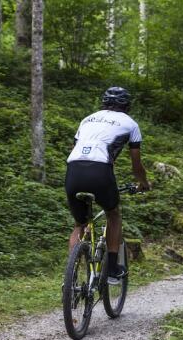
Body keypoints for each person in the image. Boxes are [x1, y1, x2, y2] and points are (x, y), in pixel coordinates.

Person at [65, 86, 151, 284]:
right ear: (127, 105)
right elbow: (136, 164)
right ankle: (112, 268)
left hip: (73, 170)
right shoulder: (130, 124)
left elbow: (77, 148)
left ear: (104, 102)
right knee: (113, 214)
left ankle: (71, 278)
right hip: (100, 171)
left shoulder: (87, 119)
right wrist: (143, 183)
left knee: (79, 224)